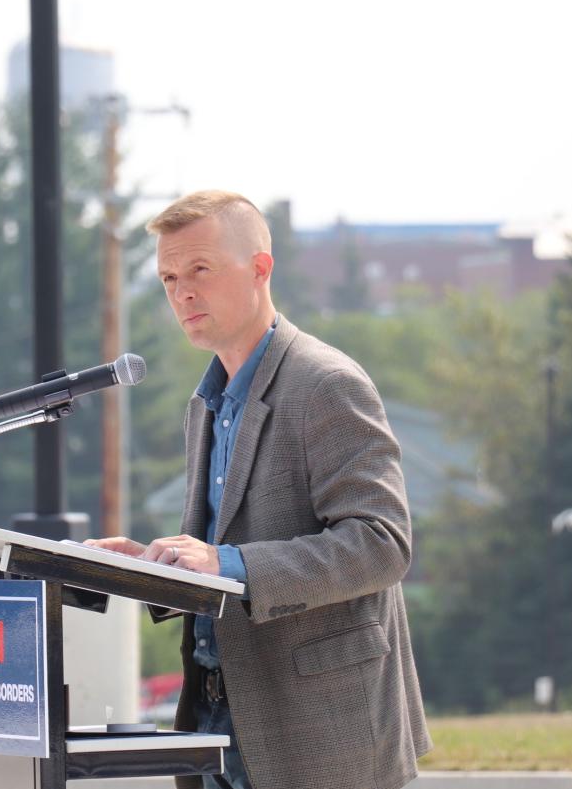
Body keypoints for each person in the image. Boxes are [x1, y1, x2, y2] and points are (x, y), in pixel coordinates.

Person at [88, 190, 431, 789]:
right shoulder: (207, 401)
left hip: (321, 733)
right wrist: (155, 569)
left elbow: (382, 543)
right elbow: (222, 562)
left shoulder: (326, 385)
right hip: (219, 716)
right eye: (168, 277)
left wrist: (227, 563)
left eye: (199, 269)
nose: (181, 292)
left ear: (260, 268)